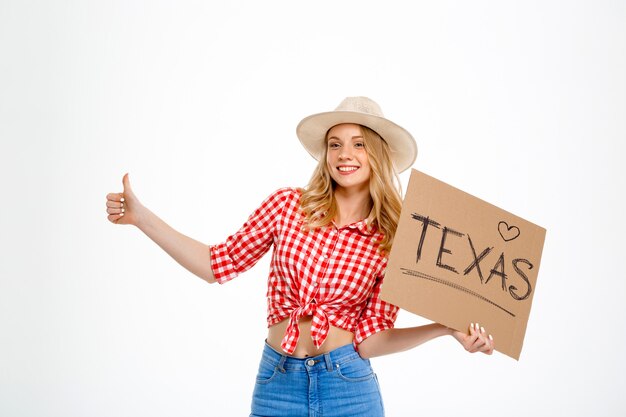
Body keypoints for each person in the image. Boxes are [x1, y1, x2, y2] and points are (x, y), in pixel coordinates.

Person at [105, 97, 494, 417]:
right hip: (277, 383)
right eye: (335, 144)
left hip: (349, 390)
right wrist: (142, 218)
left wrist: (444, 327)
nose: (345, 154)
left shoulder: (393, 240)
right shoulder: (286, 206)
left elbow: (371, 341)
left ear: (377, 154)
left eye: (359, 143)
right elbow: (216, 264)